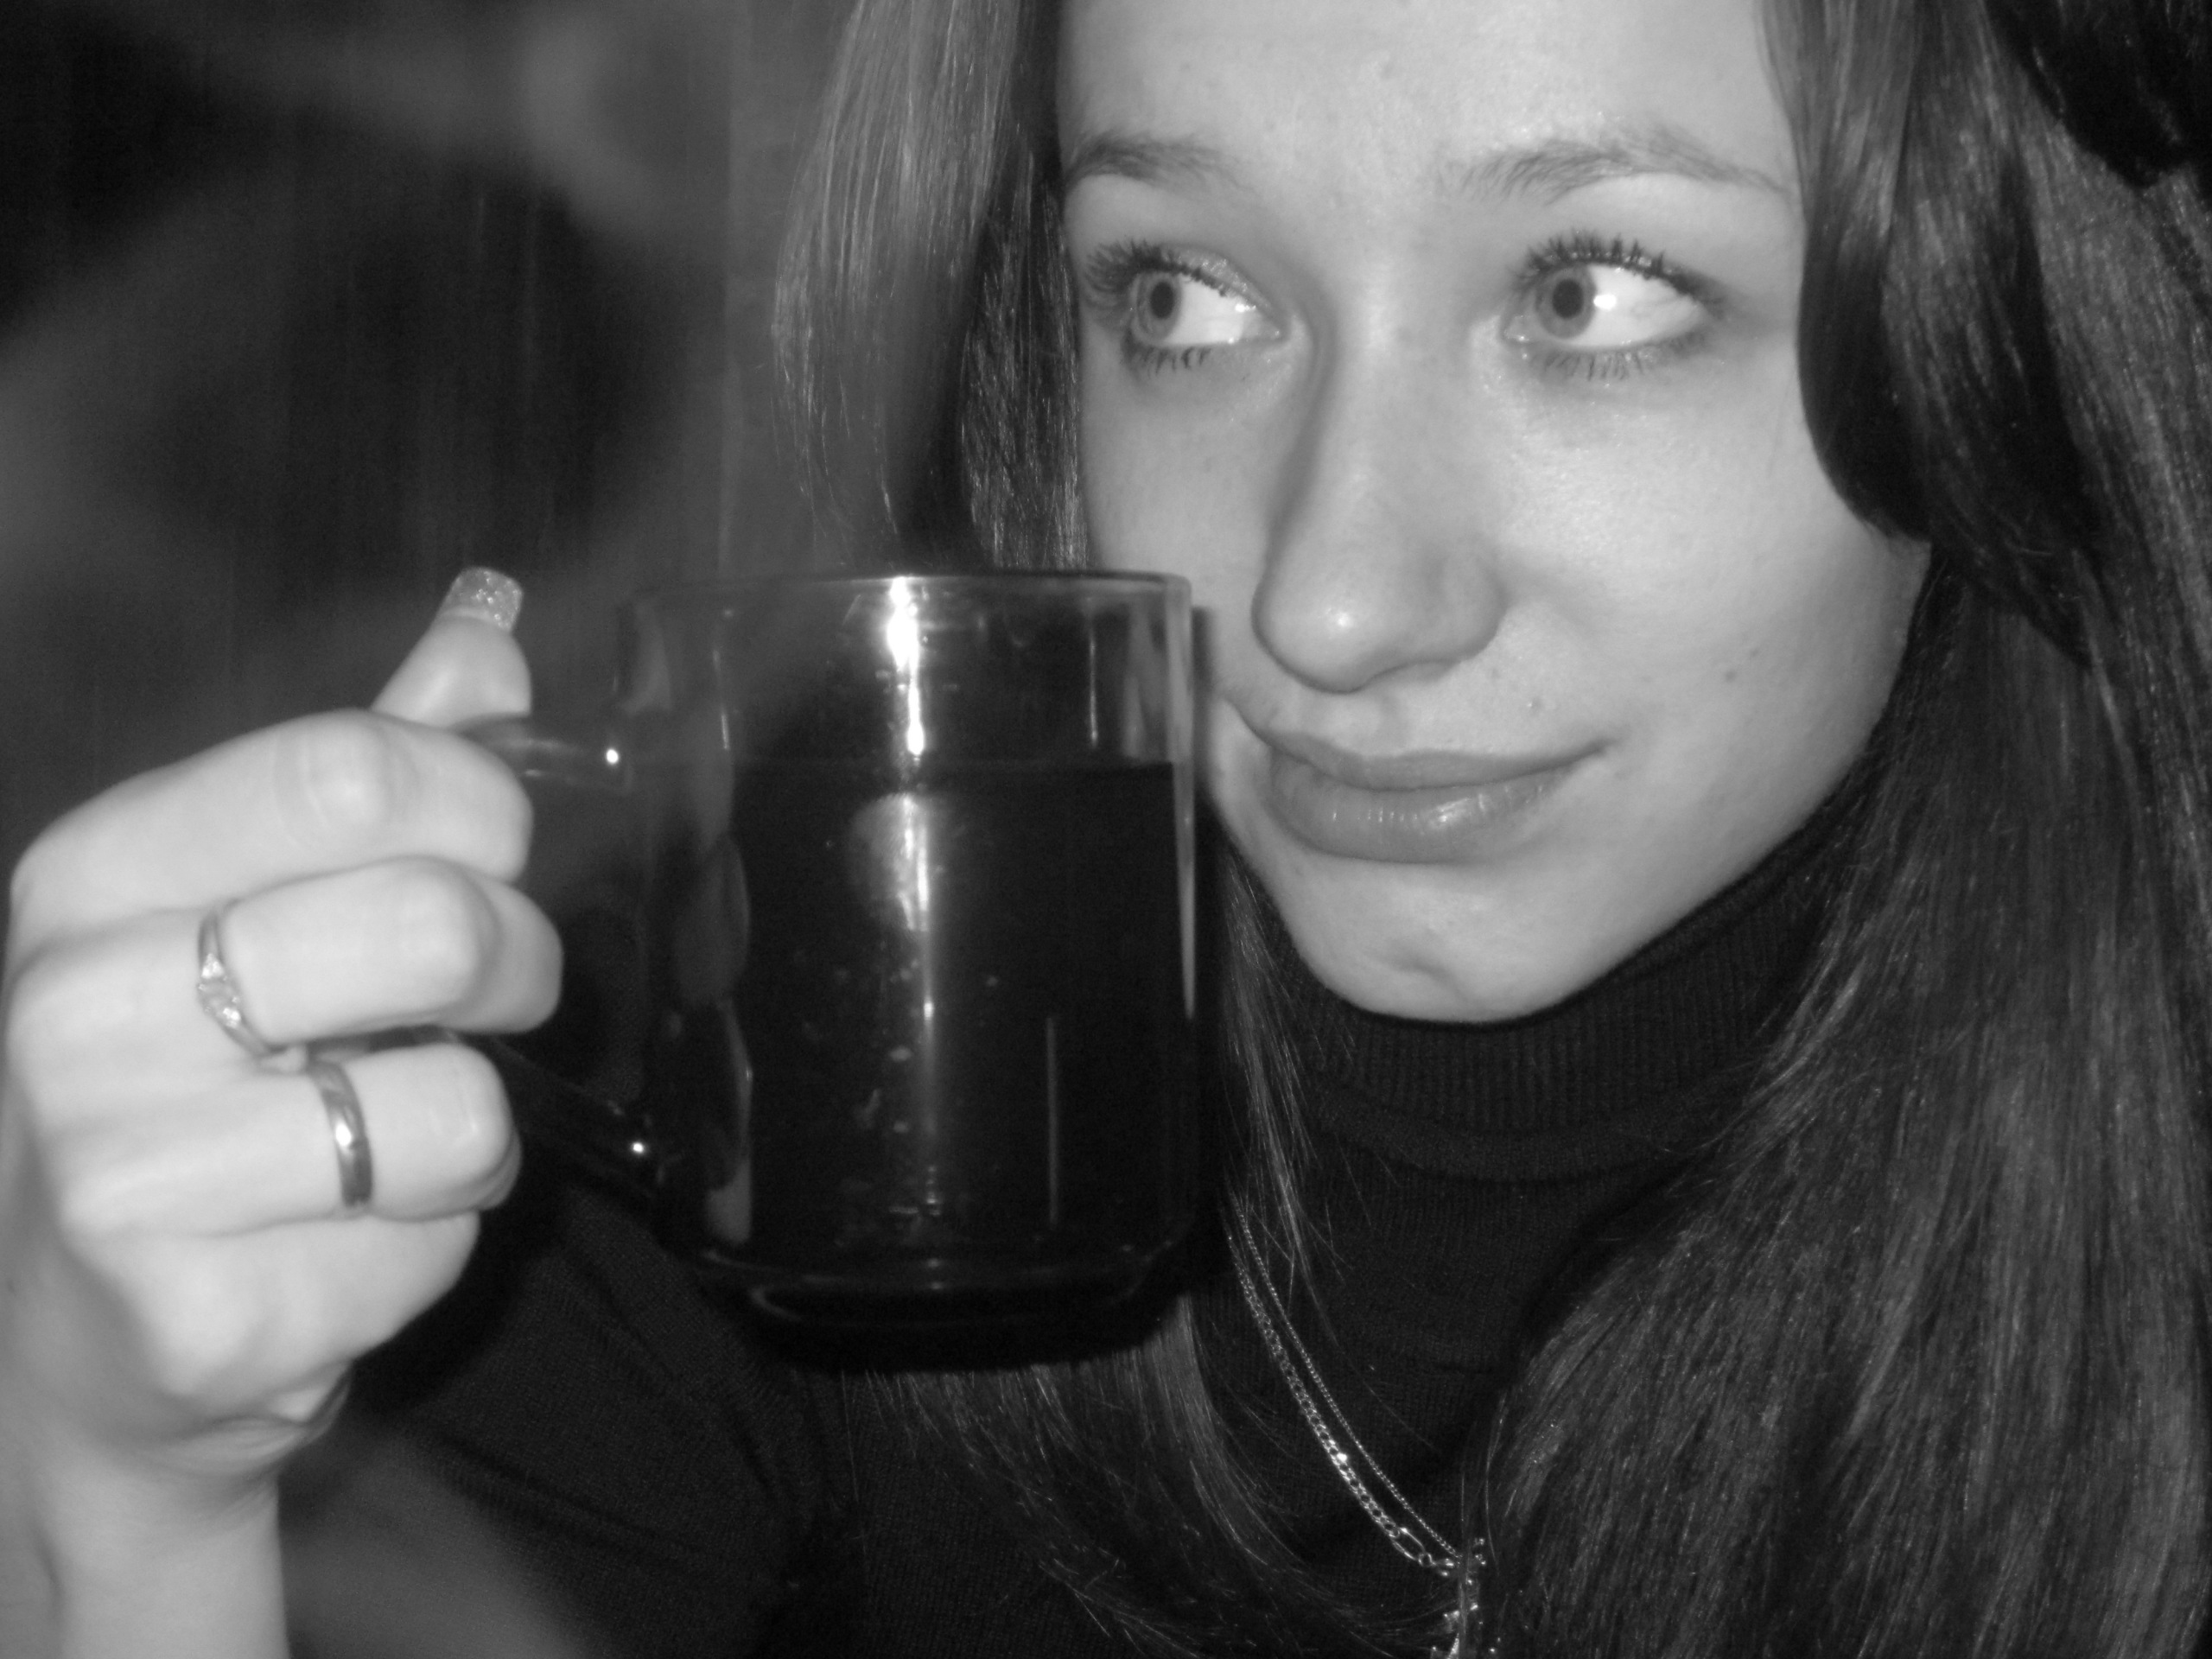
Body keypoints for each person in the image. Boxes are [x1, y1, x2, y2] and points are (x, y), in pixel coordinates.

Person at [3, 0, 2210, 1656]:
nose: (1327, 600)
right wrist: (127, 1522)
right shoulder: (793, 1091)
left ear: (1984, 332)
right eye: (1183, 297)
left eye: (1588, 294)